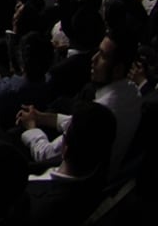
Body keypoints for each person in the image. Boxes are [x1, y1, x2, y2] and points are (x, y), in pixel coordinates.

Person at [17, 30, 142, 176]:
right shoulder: (134, 92)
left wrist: (31, 127)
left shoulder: (99, 113)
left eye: (102, 56)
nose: (94, 59)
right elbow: (75, 122)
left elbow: (47, 153)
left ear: (118, 69)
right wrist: (41, 117)